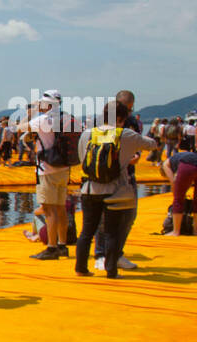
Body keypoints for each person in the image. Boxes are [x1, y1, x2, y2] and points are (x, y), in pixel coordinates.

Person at [75, 100, 154, 278]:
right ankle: (111, 271)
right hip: (115, 190)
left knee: (87, 231)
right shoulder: (125, 134)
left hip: (89, 189)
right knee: (112, 232)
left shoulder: (88, 134)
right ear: (120, 118)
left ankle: (81, 268)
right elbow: (152, 144)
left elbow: (82, 159)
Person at [22, 90, 72, 261]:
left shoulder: (42, 120)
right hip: (64, 167)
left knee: (50, 210)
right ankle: (62, 245)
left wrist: (31, 110)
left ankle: (51, 247)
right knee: (60, 208)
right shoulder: (67, 118)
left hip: (47, 168)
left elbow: (20, 127)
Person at [160, 150, 197, 236]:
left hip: (187, 166)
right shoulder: (178, 157)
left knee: (178, 199)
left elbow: (173, 183)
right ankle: (195, 231)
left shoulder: (165, 164)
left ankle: (176, 231)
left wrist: (178, 192)